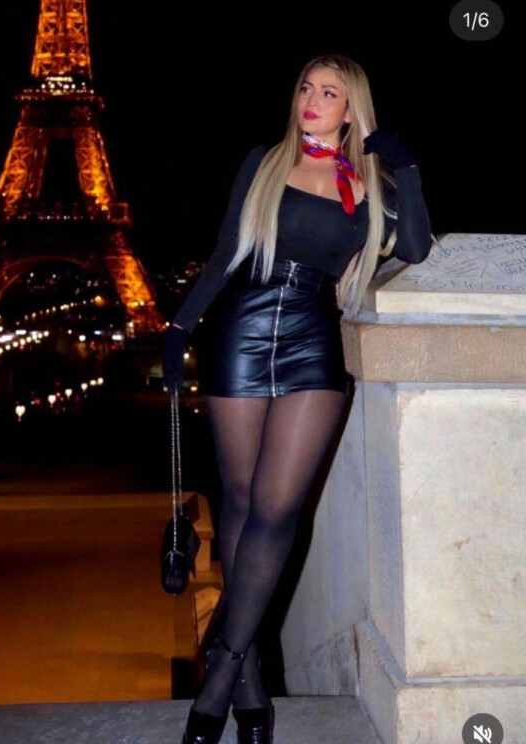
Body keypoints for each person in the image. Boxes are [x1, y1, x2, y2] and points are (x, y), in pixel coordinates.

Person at [163, 52, 433, 744]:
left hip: (314, 339)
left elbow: (416, 248)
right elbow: (224, 253)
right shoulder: (265, 162)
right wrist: (179, 329)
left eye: (330, 92)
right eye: (306, 88)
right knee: (240, 505)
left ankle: (222, 669)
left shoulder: (366, 184)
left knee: (277, 510)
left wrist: (403, 166)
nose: (313, 100)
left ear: (351, 108)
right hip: (240, 332)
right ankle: (250, 684)